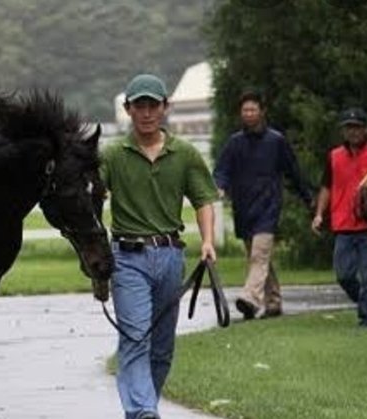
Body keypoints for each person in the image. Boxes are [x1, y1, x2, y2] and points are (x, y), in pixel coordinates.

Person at [100, 74, 218, 419]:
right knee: (136, 337)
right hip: (127, 257)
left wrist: (208, 241)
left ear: (165, 108)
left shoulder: (184, 153)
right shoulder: (112, 155)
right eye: (140, 106)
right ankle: (143, 412)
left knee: (162, 347)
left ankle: (142, 406)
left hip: (170, 256)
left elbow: (203, 200)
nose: (147, 112)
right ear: (128, 109)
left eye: (153, 105)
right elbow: (90, 194)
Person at [212, 91, 313, 320]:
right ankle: (274, 302)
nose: (248, 114)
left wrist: (308, 198)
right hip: (244, 208)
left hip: (269, 206)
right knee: (259, 257)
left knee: (259, 255)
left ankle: (250, 299)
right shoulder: (235, 143)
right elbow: (222, 170)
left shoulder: (275, 141)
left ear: (262, 112)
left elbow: (293, 172)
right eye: (245, 110)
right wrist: (218, 186)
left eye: (253, 109)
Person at [311, 107, 367, 327]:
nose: (353, 132)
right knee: (344, 275)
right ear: (343, 131)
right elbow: (326, 187)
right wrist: (319, 214)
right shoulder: (334, 156)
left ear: (366, 129)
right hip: (343, 224)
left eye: (357, 127)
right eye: (349, 127)